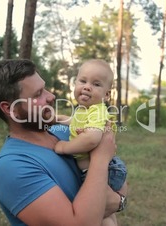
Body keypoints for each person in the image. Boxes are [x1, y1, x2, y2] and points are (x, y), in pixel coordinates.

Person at [0, 59, 127, 226]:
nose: (51, 96)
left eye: (44, 89)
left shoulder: (64, 132)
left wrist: (120, 201)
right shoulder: (11, 166)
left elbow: (119, 182)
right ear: (10, 109)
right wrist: (101, 158)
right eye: (38, 94)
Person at [54, 59, 127, 226]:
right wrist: (58, 118)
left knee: (100, 215)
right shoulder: (84, 110)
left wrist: (65, 147)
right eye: (83, 81)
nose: (87, 87)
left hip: (103, 171)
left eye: (96, 84)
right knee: (105, 215)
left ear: (106, 95)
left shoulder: (97, 110)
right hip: (97, 168)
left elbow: (91, 138)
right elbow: (76, 122)